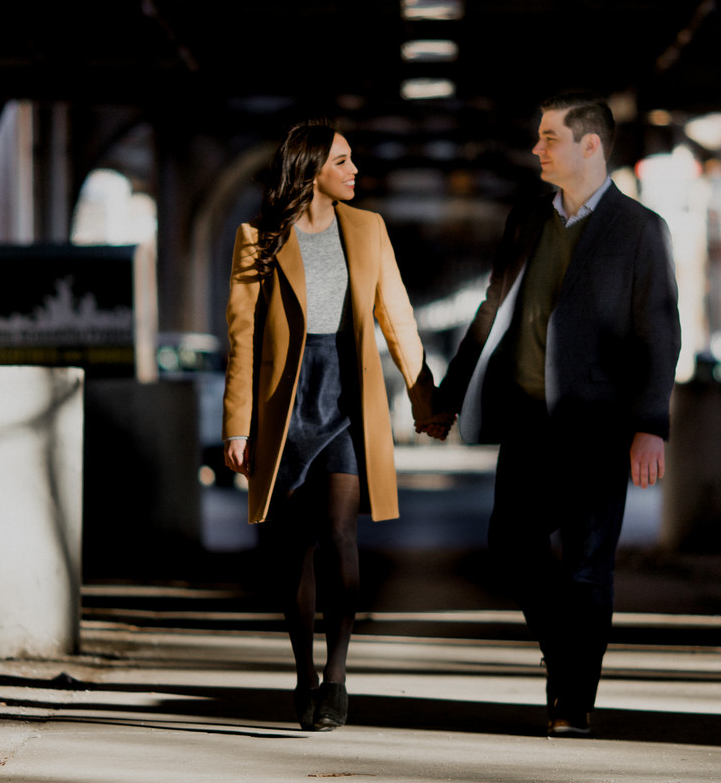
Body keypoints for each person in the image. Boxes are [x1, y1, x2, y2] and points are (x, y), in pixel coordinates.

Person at [422, 91, 679, 738]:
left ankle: (573, 701)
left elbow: (659, 331)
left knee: (590, 563)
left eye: (549, 138)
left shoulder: (641, 229)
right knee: (510, 543)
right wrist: (445, 397)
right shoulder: (528, 217)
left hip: (598, 423)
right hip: (529, 421)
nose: (537, 149)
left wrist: (652, 424)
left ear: (590, 145)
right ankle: (567, 649)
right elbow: (490, 310)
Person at [221, 121, 438, 732]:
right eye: (343, 161)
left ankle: (338, 676)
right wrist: (238, 427)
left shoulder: (368, 229)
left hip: (348, 396)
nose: (354, 171)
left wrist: (425, 400)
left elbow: (397, 317)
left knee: (342, 532)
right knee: (295, 548)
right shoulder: (257, 238)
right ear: (313, 167)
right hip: (285, 404)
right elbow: (242, 339)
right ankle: (304, 673)